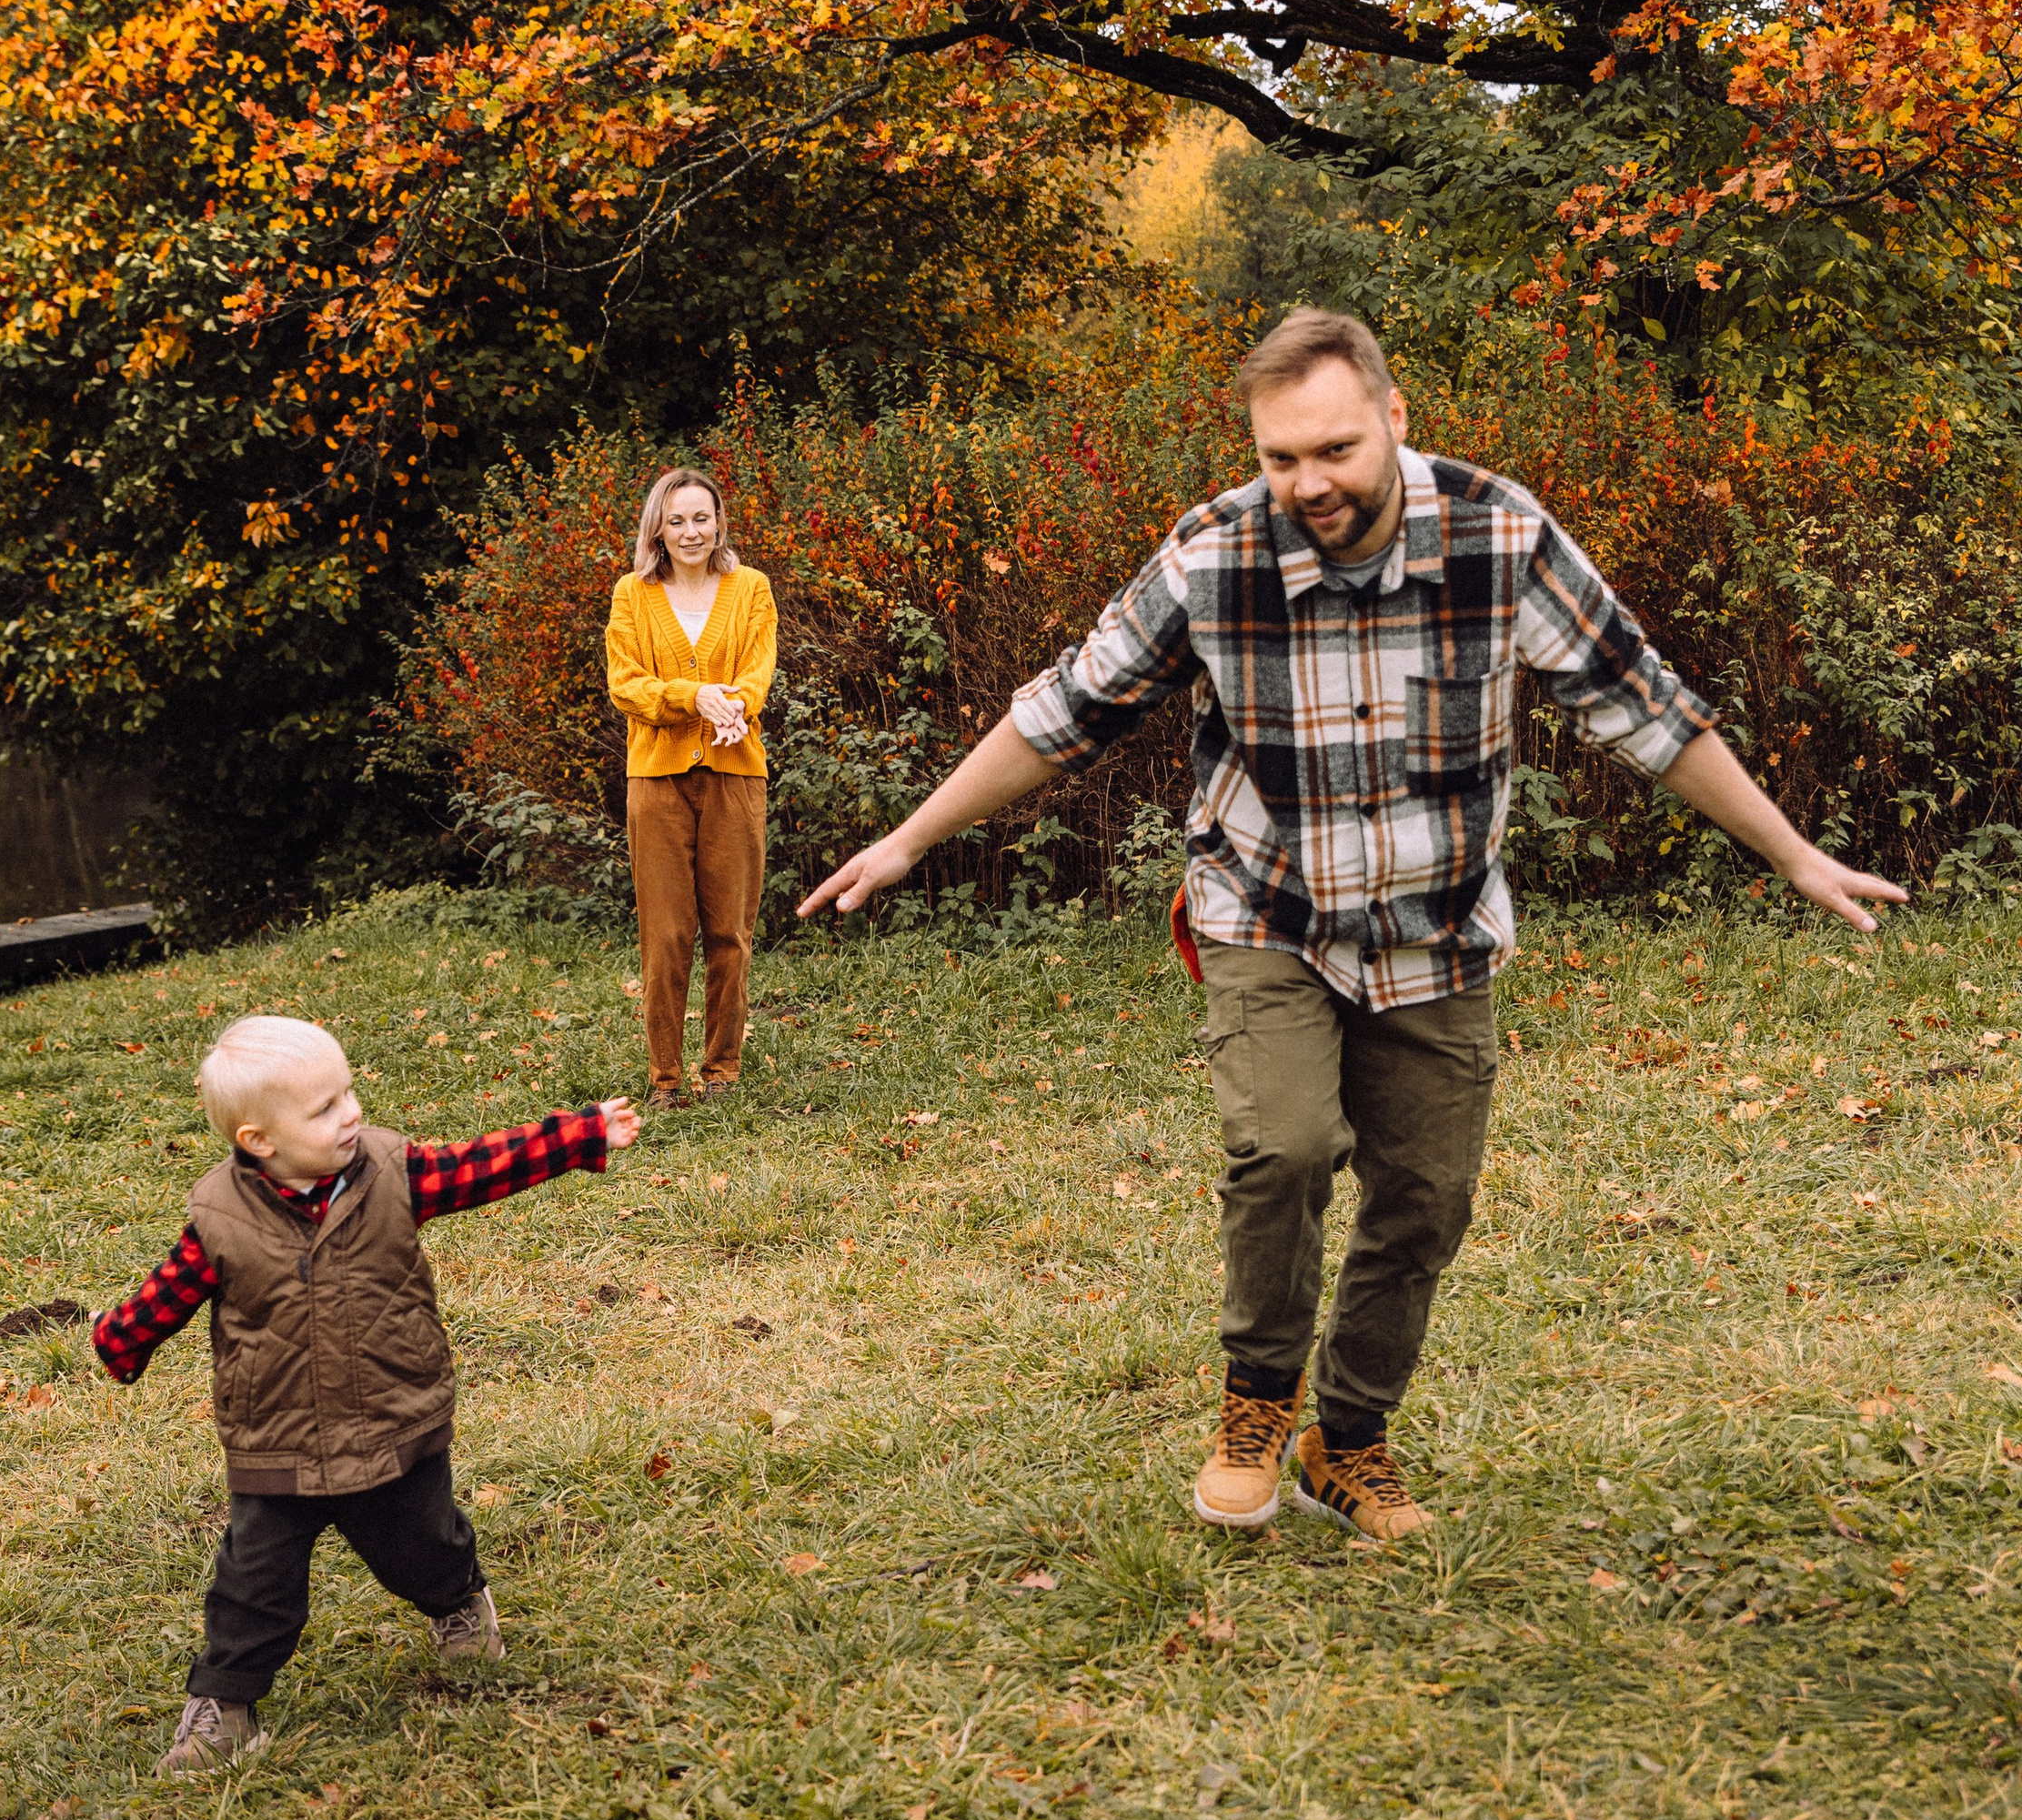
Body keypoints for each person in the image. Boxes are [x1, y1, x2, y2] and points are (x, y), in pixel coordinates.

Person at [800, 307, 1903, 1543]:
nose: (1307, 484)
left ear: (1394, 418)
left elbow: (1642, 708)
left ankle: (1351, 1437)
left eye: (1332, 449)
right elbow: (1066, 710)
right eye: (1280, 458)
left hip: (1438, 927)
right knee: (1283, 1146)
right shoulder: (1215, 555)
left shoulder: (1501, 533)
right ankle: (1257, 1404)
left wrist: (1795, 854)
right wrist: (906, 839)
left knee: (1426, 1197)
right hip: (1266, 907)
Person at [92, 1012, 640, 1772]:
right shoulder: (219, 1216)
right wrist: (119, 1340)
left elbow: (482, 1165)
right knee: (253, 1580)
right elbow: (168, 1293)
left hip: (393, 1415)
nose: (351, 1112)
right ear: (259, 1140)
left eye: (349, 1092)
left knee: (421, 1543)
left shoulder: (391, 1170)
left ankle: (458, 1602)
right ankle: (227, 1702)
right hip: (275, 1438)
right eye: (324, 1107)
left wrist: (574, 1136)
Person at [606, 466, 779, 1103]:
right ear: (658, 527)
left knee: (730, 930)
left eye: (700, 517)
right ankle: (665, 1080)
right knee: (667, 933)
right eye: (675, 520)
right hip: (656, 780)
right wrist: (695, 697)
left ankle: (723, 1071)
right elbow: (626, 685)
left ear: (718, 522)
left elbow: (759, 669)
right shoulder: (632, 593)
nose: (689, 531)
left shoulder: (751, 588)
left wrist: (736, 705)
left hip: (736, 773)